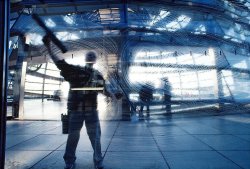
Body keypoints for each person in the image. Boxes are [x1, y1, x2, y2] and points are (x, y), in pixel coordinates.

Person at [43, 35, 120, 169]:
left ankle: (89, 161)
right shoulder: (78, 71)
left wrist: (113, 95)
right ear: (88, 59)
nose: (90, 57)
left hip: (87, 111)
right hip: (79, 111)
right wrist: (49, 47)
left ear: (94, 60)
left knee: (92, 138)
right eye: (89, 56)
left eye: (92, 56)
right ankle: (76, 161)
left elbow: (104, 90)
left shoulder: (94, 75)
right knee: (77, 137)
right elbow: (58, 63)